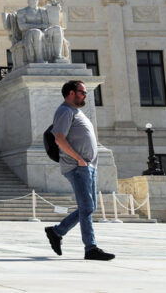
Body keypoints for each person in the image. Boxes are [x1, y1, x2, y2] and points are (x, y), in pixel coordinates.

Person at [44, 80, 115, 260]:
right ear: (71, 93)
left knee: (90, 207)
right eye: (82, 92)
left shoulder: (76, 112)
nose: (85, 95)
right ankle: (90, 248)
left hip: (87, 167)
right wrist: (79, 159)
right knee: (87, 207)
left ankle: (57, 232)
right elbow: (59, 138)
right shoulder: (65, 111)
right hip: (77, 167)